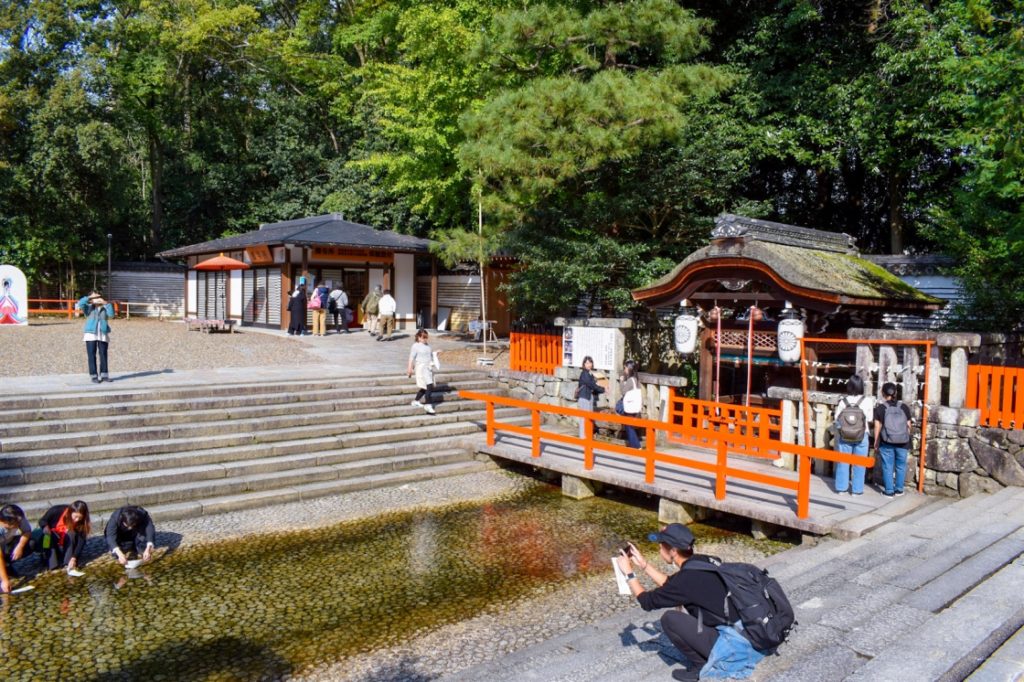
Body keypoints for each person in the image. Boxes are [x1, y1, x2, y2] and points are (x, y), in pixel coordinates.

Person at [617, 524, 766, 681]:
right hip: (752, 630)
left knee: (670, 619)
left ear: (673, 551)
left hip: (735, 646)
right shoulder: (705, 561)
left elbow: (646, 602)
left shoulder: (685, 580)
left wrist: (629, 573)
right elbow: (671, 584)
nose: (659, 550)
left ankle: (699, 665)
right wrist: (644, 565)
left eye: (661, 546)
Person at [832, 374, 874, 496]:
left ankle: (841, 488)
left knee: (843, 462)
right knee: (859, 463)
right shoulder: (867, 401)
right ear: (861, 386)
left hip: (845, 436)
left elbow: (837, 419)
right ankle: (856, 490)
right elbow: (870, 418)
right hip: (862, 435)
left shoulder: (842, 401)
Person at [874, 381, 913, 497]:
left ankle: (889, 491)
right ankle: (899, 490)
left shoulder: (880, 408)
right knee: (901, 465)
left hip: (887, 441)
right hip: (903, 441)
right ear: (896, 393)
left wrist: (876, 442)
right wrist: (905, 437)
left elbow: (877, 426)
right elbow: (909, 425)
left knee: (887, 466)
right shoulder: (904, 407)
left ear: (883, 393)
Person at [33, 501, 91, 572]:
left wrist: (74, 558)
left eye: (80, 518)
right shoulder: (56, 510)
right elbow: (42, 521)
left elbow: (81, 542)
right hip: (53, 541)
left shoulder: (82, 523)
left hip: (67, 545)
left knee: (71, 533)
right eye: (75, 517)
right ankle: (51, 563)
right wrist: (45, 527)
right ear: (70, 512)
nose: (77, 520)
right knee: (47, 536)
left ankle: (67, 562)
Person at [76, 291, 114, 383]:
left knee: (103, 354)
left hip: (102, 333)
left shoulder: (105, 307)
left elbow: (112, 315)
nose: (96, 299)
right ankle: (93, 376)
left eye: (97, 296)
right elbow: (80, 303)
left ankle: (104, 375)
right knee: (91, 355)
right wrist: (89, 298)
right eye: (94, 297)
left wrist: (106, 304)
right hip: (90, 334)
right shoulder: (88, 308)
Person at [0, 504, 31, 593]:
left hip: (7, 544)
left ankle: (8, 565)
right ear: (4, 522)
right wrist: (5, 580)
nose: (19, 525)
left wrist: (20, 546)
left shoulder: (18, 518)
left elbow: (27, 531)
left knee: (31, 543)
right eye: (15, 524)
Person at [407, 328, 439, 415]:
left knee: (425, 387)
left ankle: (416, 401)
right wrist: (410, 368)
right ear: (419, 337)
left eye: (426, 337)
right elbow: (411, 358)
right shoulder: (415, 346)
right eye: (423, 337)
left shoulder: (428, 346)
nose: (425, 339)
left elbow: (430, 356)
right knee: (429, 385)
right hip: (421, 368)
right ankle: (428, 405)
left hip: (428, 368)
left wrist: (435, 354)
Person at [577, 356, 605, 439]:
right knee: (584, 418)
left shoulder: (590, 374)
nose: (588, 365)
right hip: (584, 397)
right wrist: (603, 390)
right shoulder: (584, 373)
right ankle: (583, 437)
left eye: (590, 363)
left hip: (589, 397)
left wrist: (602, 388)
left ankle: (587, 435)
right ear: (584, 364)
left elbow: (594, 386)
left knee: (589, 418)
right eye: (587, 363)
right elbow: (592, 385)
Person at [617, 359, 643, 448]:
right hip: (635, 406)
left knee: (618, 407)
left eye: (625, 368)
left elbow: (623, 391)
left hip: (630, 407)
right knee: (629, 426)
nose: (624, 370)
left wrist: (621, 381)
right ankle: (635, 445)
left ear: (628, 369)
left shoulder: (630, 380)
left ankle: (636, 446)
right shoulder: (636, 379)